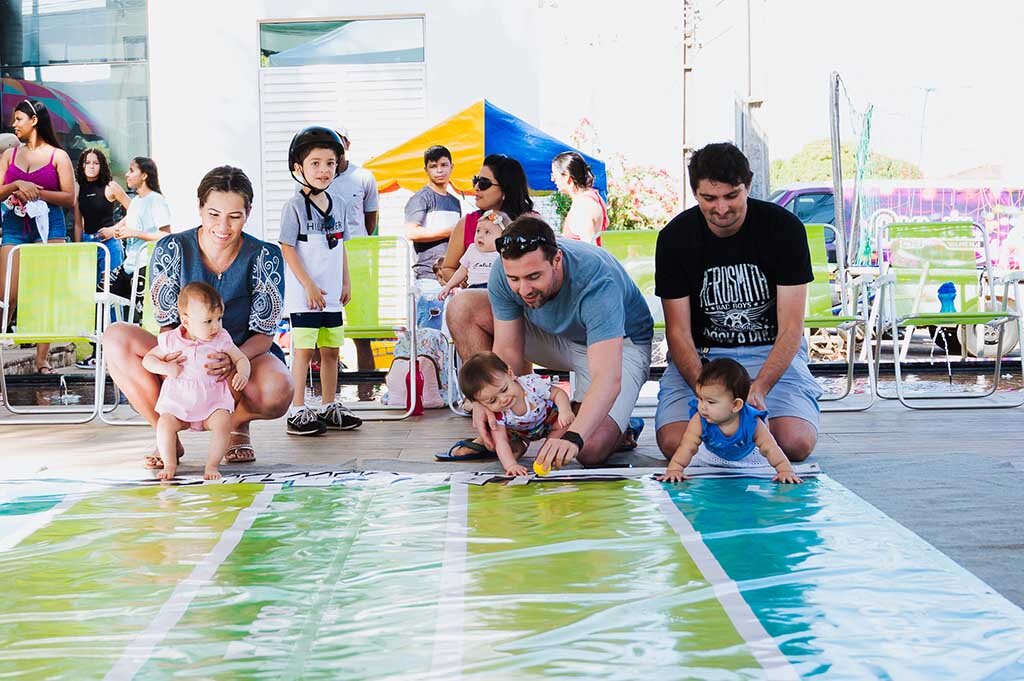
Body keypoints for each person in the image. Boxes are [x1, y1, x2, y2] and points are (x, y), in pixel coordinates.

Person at [102, 165, 292, 469]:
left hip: (241, 354)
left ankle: (234, 425)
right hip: (183, 350)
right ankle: (166, 431)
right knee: (115, 338)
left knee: (280, 388)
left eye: (235, 216)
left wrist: (233, 357)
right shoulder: (171, 248)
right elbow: (166, 321)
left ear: (249, 212)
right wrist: (177, 359)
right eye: (214, 214)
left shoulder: (265, 255)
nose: (223, 226)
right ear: (200, 208)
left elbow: (265, 332)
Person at [441, 216, 653, 469]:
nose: (524, 289)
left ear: (557, 260)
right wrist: (484, 401)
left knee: (589, 448)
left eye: (533, 276)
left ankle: (623, 426)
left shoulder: (597, 280)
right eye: (515, 279)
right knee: (462, 307)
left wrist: (574, 436)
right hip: (555, 336)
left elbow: (607, 377)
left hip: (620, 344)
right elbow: (507, 351)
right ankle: (516, 427)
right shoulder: (504, 270)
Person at [654, 142, 821, 464]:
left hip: (768, 351)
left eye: (732, 196)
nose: (721, 208)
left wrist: (758, 389)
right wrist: (708, 393)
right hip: (705, 357)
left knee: (794, 442)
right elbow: (678, 333)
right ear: (695, 193)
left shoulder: (784, 229)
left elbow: (791, 329)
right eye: (709, 198)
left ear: (748, 186)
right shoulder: (675, 237)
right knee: (675, 443)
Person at [279, 126, 361, 435]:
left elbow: (340, 248)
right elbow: (288, 248)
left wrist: (346, 282)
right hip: (306, 295)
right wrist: (308, 285)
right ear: (299, 168)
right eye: (315, 163)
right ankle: (297, 408)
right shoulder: (295, 206)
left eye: (329, 162)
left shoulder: (338, 204)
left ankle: (329, 405)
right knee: (303, 350)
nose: (324, 170)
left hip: (331, 296)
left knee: (331, 351)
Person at [144, 282, 250, 481]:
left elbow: (241, 358)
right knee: (165, 424)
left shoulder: (220, 339)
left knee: (223, 422)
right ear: (186, 321)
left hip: (212, 402)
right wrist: (165, 368)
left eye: (219, 319)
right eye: (208, 321)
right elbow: (148, 360)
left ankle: (212, 464)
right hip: (179, 403)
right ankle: (170, 463)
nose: (216, 326)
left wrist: (243, 374)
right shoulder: (171, 340)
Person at [0, 99, 76, 375]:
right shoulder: (8, 156)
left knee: (46, 293)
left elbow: (69, 197)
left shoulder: (58, 156)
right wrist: (16, 185)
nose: (13, 124)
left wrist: (37, 192)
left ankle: (41, 360)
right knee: (6, 293)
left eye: (18, 119)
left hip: (49, 223)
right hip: (14, 224)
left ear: (34, 120)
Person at [657, 358, 803, 484]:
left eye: (711, 402)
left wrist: (785, 471)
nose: (702, 407)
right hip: (711, 456)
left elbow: (771, 448)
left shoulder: (752, 422)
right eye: (700, 399)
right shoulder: (699, 419)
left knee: (764, 459)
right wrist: (675, 469)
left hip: (748, 458)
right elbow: (687, 446)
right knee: (694, 456)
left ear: (736, 405)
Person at [326, 126, 380, 399]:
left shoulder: (364, 177)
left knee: (363, 332)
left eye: (338, 139)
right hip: (325, 262)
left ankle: (366, 395)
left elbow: (370, 222)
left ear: (347, 142)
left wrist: (355, 248)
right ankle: (327, 397)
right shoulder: (317, 177)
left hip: (359, 262)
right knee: (324, 334)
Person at [457, 351, 574, 476]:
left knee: (563, 424)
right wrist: (511, 465)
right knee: (499, 437)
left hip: (547, 421)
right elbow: (500, 441)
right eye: (492, 400)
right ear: (481, 404)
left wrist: (565, 410)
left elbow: (558, 393)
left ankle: (547, 451)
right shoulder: (498, 414)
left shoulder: (531, 385)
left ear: (510, 374)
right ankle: (519, 447)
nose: (503, 399)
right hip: (519, 432)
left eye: (504, 389)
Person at [73, 148, 132, 368]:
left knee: (111, 297)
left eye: (95, 163)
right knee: (92, 299)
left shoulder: (111, 187)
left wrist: (113, 230)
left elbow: (133, 210)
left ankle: (117, 352)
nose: (90, 166)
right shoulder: (78, 189)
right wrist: (79, 248)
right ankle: (97, 352)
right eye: (87, 163)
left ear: (102, 166)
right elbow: (78, 223)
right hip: (88, 244)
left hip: (110, 245)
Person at [438, 153, 534, 284]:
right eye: (476, 180)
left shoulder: (532, 222)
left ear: (506, 190)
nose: (476, 187)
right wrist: (469, 284)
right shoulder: (467, 223)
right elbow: (448, 268)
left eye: (484, 183)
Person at [108, 157, 171, 322]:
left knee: (139, 316)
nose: (127, 174)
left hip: (145, 265)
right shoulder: (135, 201)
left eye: (132, 170)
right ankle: (98, 343)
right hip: (129, 265)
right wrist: (118, 231)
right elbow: (128, 224)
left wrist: (134, 233)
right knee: (102, 292)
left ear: (144, 175)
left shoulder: (156, 200)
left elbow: (165, 235)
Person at [404, 145, 462, 280]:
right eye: (434, 166)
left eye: (444, 165)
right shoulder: (420, 198)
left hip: (452, 275)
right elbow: (411, 232)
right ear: (426, 170)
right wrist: (450, 231)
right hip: (428, 275)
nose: (440, 170)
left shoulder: (455, 201)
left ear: (451, 167)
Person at [437, 210, 506, 298]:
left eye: (487, 232)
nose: (480, 235)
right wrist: (448, 286)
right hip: (472, 288)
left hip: (495, 290)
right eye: (478, 231)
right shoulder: (472, 249)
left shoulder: (501, 253)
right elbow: (462, 271)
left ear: (500, 237)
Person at [551, 151, 608, 242]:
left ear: (566, 176)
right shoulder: (593, 197)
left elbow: (589, 249)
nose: (553, 180)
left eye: (554, 175)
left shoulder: (583, 206)